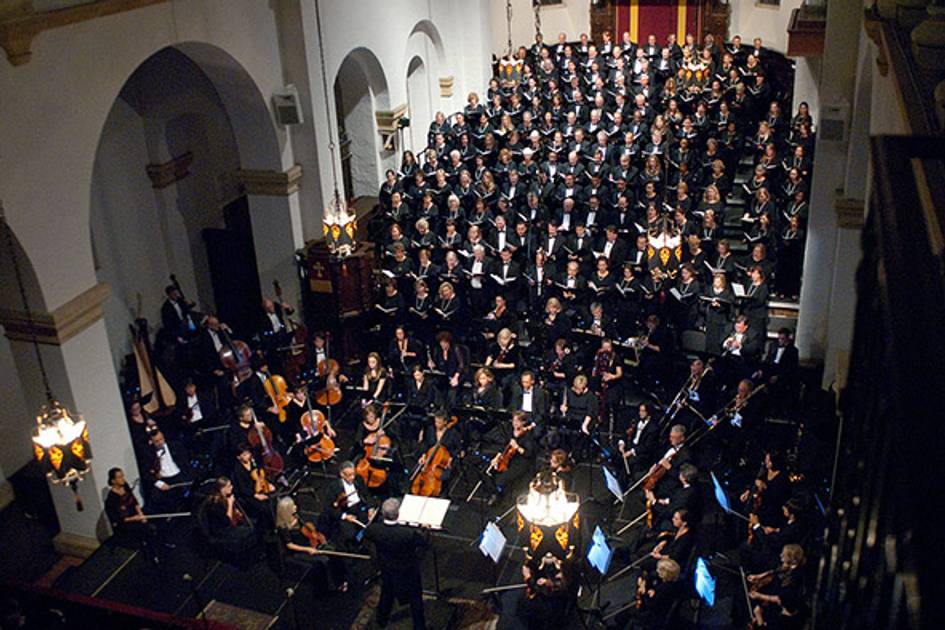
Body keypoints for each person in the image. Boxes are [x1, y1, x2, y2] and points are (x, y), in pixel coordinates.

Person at [364, 498, 430, 630]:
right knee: (415, 599)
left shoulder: (374, 530)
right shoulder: (408, 534)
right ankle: (419, 627)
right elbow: (423, 542)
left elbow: (367, 533)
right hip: (408, 571)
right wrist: (425, 529)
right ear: (398, 514)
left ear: (382, 514)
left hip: (387, 570)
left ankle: (381, 622)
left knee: (386, 595)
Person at [274, 496, 347, 591]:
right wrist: (308, 549)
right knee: (324, 561)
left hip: (309, 542)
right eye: (293, 506)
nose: (295, 506)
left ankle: (341, 579)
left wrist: (317, 536)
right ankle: (328, 586)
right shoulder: (283, 528)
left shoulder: (296, 516)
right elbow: (289, 545)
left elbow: (308, 528)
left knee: (334, 552)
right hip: (300, 550)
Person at [105, 467, 159, 562]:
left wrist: (141, 514)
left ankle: (158, 547)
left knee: (154, 515)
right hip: (126, 522)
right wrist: (136, 518)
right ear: (113, 481)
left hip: (135, 516)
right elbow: (119, 519)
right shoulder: (111, 499)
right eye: (120, 477)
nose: (123, 479)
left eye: (123, 476)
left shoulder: (125, 486)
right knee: (147, 530)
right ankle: (151, 555)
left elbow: (134, 502)